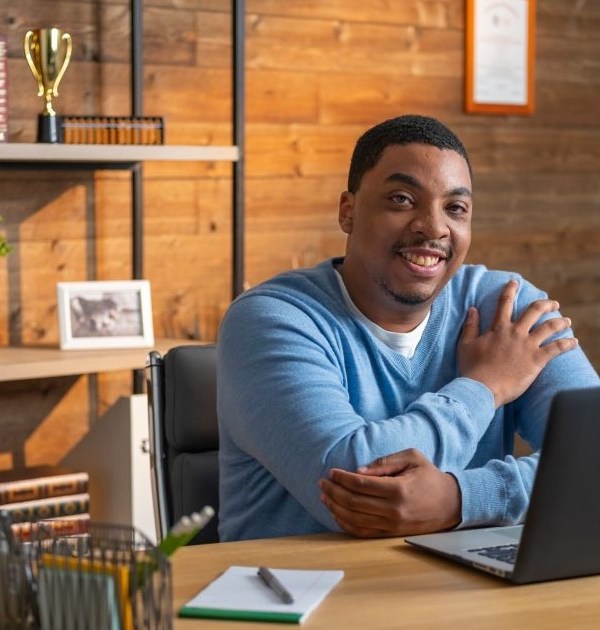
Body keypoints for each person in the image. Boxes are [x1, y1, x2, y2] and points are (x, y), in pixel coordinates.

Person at [216, 114, 599, 541]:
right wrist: (486, 385)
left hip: (457, 593)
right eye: (402, 199)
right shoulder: (272, 319)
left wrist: (459, 499)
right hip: (298, 596)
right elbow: (355, 485)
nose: (434, 227)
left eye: (455, 208)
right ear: (349, 211)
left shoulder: (508, 307)